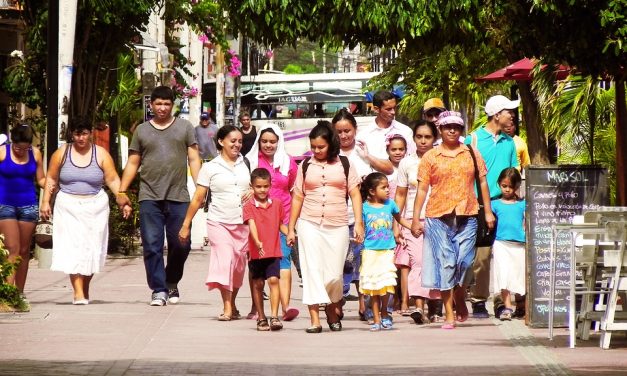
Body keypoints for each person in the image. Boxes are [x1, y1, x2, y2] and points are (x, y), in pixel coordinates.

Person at [116, 86, 201, 306]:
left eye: (166, 104)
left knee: (181, 244)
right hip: (149, 196)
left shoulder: (185, 128)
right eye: (158, 103)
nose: (162, 108)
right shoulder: (142, 131)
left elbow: (193, 159)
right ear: (151, 105)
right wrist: (122, 190)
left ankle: (171, 280)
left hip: (178, 195)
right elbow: (133, 162)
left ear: (172, 105)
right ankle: (159, 289)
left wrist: (201, 185)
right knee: (152, 244)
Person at [411, 111, 495, 329]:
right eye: (447, 127)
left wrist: (488, 211)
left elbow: (483, 182)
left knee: (465, 262)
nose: (452, 131)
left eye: (456, 127)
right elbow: (422, 189)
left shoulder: (471, 153)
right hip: (438, 216)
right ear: (440, 129)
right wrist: (415, 218)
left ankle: (460, 294)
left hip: (468, 214)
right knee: (446, 263)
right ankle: (449, 313)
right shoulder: (431, 157)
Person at [40, 117, 131, 304]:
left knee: (92, 248)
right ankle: (78, 292)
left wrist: (123, 200)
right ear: (71, 134)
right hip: (68, 205)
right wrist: (46, 202)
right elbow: (51, 178)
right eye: (77, 133)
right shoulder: (62, 153)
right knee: (73, 247)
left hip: (95, 206)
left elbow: (112, 179)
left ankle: (85, 287)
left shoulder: (101, 154)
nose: (81, 138)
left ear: (90, 133)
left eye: (84, 133)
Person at [286, 121, 364, 333]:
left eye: (321, 147)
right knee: (312, 270)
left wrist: (358, 222)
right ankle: (314, 319)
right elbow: (297, 197)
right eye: (313, 147)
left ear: (331, 144)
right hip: (309, 223)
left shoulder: (345, 164)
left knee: (334, 274)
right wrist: (291, 227)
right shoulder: (305, 166)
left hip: (337, 224)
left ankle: (332, 307)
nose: (317, 151)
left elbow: (355, 193)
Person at [179, 125, 252, 321]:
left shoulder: (245, 163)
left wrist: (253, 191)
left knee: (238, 266)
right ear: (221, 142)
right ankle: (227, 306)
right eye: (232, 141)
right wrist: (186, 224)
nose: (237, 145)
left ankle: (233, 303)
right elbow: (198, 198)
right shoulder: (210, 167)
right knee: (225, 260)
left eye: (240, 141)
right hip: (218, 221)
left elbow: (257, 186)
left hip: (243, 223)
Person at [465, 95, 519, 318]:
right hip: (478, 205)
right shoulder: (474, 139)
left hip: (505, 204)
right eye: (509, 111)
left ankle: (501, 302)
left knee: (505, 254)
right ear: (497, 114)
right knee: (482, 257)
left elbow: (514, 171)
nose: (513, 115)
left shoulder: (510, 142)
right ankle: (478, 300)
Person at [245, 124, 299, 321]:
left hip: (282, 218)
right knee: (257, 265)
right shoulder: (250, 161)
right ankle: (256, 308)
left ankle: (285, 308)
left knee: (283, 260)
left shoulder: (289, 163)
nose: (268, 145)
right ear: (259, 142)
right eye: (264, 141)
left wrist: (292, 224)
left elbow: (294, 190)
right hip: (257, 221)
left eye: (272, 141)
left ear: (279, 142)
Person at [393, 120, 441, 324]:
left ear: (434, 139)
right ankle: (418, 307)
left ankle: (434, 307)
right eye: (419, 137)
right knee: (418, 262)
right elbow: (400, 195)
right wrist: (397, 224)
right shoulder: (407, 163)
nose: (423, 141)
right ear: (413, 139)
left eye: (427, 137)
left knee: (437, 262)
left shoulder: (441, 159)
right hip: (414, 220)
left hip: (440, 218)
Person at [359, 172, 412, 331]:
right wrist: (358, 236)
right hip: (370, 251)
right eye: (384, 187)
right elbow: (360, 227)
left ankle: (385, 313)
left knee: (387, 284)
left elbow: (399, 219)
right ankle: (375, 318)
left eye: (388, 187)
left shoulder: (391, 204)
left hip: (387, 250)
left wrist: (413, 227)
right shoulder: (364, 207)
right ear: (372, 191)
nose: (388, 190)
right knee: (373, 287)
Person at [332, 109, 372, 318]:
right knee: (342, 263)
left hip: (363, 216)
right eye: (339, 131)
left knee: (364, 262)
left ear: (355, 130)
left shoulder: (364, 151)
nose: (344, 135)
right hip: (337, 216)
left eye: (347, 130)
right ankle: (337, 303)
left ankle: (364, 304)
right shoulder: (329, 154)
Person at [0, 124, 45, 294]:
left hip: (28, 205)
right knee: (12, 248)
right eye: (18, 147)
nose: (20, 151)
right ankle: (7, 293)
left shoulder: (35, 154)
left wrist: (51, 185)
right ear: (12, 142)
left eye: (24, 148)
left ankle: (19, 293)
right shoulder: (3, 151)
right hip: (5, 204)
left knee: (24, 251)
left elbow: (41, 179)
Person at [243, 168, 286, 331]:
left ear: (270, 185)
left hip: (274, 250)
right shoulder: (249, 206)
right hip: (256, 252)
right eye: (258, 187)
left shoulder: (277, 204)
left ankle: (274, 317)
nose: (262, 190)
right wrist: (257, 241)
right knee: (258, 283)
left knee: (274, 280)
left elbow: (281, 224)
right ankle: (261, 317)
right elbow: (251, 223)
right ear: (252, 186)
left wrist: (290, 233)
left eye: (265, 186)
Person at [491, 168, 526, 321]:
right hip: (501, 244)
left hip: (520, 245)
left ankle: (522, 306)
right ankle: (507, 307)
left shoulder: (523, 204)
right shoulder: (494, 204)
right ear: (499, 184)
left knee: (519, 275)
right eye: (504, 185)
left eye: (510, 186)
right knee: (503, 275)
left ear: (517, 186)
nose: (507, 189)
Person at [355, 90, 415, 175]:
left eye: (394, 108)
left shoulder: (405, 131)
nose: (393, 112)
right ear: (376, 109)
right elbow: (362, 165)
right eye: (388, 109)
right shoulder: (364, 135)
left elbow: (412, 159)